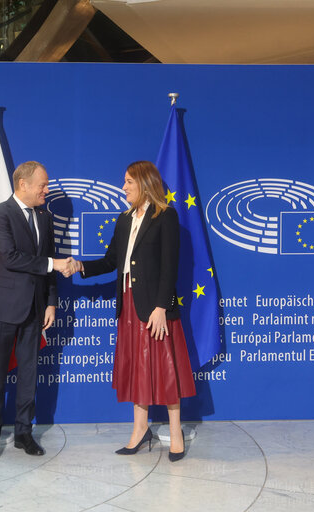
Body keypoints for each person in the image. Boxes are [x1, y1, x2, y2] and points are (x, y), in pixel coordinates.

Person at [68, 160, 196, 461]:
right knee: (137, 367)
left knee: (166, 369)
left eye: (128, 181)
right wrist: (81, 266)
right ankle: (140, 430)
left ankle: (175, 433)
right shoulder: (124, 219)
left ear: (144, 182)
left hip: (156, 306)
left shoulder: (166, 216)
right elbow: (112, 260)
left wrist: (162, 306)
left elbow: (170, 267)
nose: (123, 187)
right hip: (128, 303)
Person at [0, 161, 73, 460]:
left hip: (35, 307)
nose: (47, 190)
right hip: (2, 307)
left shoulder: (44, 217)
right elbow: (9, 257)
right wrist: (52, 265)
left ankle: (23, 432)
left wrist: (51, 301)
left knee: (29, 373)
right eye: (43, 185)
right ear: (23, 185)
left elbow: (49, 260)